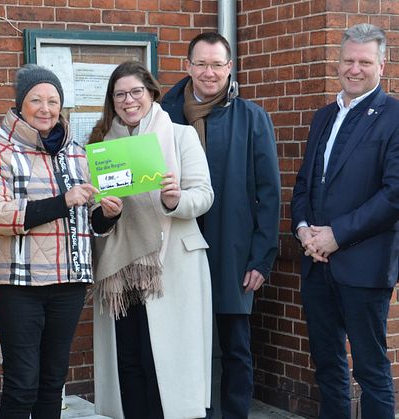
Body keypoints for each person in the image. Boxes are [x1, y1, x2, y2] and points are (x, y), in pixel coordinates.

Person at [0, 64, 122, 419]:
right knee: (22, 383)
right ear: (20, 104)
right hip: (19, 285)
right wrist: (64, 201)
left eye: (53, 100)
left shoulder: (77, 152)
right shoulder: (1, 151)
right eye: (36, 100)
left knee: (52, 383)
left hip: (68, 285)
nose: (45, 109)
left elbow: (88, 221)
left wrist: (108, 214)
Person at [160, 32, 280, 418]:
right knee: (180, 343)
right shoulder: (163, 115)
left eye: (217, 64)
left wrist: (261, 259)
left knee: (235, 347)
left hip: (233, 250)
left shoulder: (251, 117)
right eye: (201, 63)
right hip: (176, 248)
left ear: (230, 68)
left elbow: (269, 193)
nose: (209, 73)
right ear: (188, 66)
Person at [90, 61, 214, 419]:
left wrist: (176, 200)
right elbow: (94, 217)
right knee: (130, 358)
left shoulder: (180, 136)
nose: (128, 101)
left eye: (135, 92)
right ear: (111, 102)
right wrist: (106, 214)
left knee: (166, 362)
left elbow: (204, 195)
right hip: (121, 268)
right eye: (119, 95)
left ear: (151, 93)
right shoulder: (100, 146)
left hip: (171, 265)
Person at [291, 23, 399, 419]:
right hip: (316, 263)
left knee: (371, 371)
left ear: (381, 66)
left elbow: (393, 194)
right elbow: (305, 183)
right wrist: (304, 229)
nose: (354, 69)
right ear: (338, 62)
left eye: (364, 62)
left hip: (364, 265)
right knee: (328, 366)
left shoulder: (394, 116)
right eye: (348, 60)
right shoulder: (323, 117)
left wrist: (337, 235)